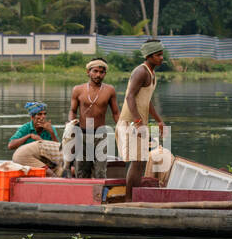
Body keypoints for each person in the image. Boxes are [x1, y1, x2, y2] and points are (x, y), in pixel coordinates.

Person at [118, 40, 167, 191]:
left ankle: (134, 196)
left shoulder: (151, 73)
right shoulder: (141, 72)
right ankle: (129, 198)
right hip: (130, 122)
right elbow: (130, 97)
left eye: (162, 55)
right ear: (149, 56)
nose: (161, 58)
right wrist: (138, 123)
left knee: (141, 161)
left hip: (139, 122)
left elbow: (147, 101)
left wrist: (159, 120)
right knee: (137, 161)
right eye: (158, 55)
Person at [67, 59, 120, 179]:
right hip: (82, 134)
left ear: (105, 73)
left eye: (102, 72)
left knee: (101, 172)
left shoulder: (109, 90)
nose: (98, 75)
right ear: (88, 72)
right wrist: (71, 124)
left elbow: (116, 113)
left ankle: (99, 197)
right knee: (81, 171)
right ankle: (82, 196)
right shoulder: (78, 90)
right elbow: (72, 111)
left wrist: (122, 128)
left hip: (101, 135)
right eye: (95, 71)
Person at [8, 101, 63, 174]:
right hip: (29, 161)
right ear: (32, 117)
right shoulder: (25, 128)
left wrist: (51, 132)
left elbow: (58, 150)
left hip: (48, 162)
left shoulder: (50, 128)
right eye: (39, 114)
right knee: (48, 173)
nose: (43, 117)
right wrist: (29, 136)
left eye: (44, 114)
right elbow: (11, 145)